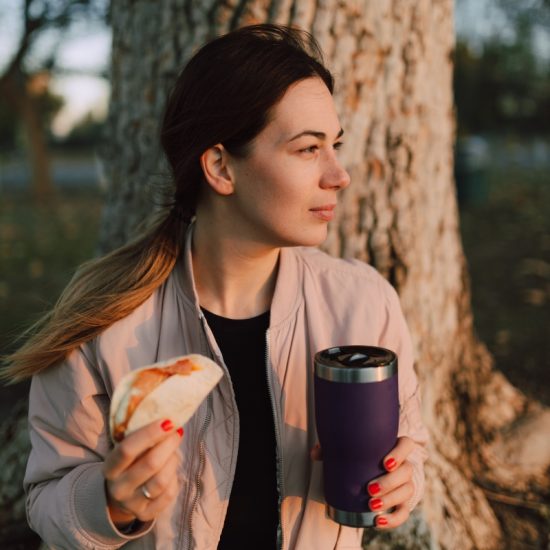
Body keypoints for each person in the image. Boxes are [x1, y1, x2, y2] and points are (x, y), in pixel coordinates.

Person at [3, 24, 428, 549]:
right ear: (221, 166)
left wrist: (406, 480)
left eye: (334, 145)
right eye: (307, 149)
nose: (338, 174)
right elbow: (47, 497)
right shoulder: (105, 319)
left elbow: (410, 448)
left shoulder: (363, 305)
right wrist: (110, 501)